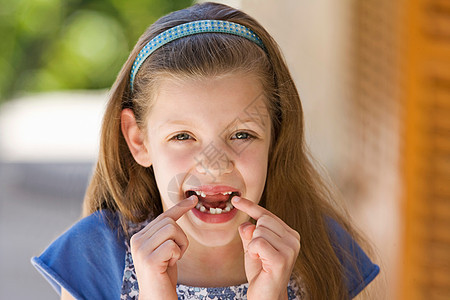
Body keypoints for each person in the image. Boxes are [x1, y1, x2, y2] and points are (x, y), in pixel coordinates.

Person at [32, 2, 379, 299]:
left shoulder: (325, 252)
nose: (214, 165)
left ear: (277, 135)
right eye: (183, 136)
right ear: (138, 140)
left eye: (242, 134)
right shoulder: (93, 257)